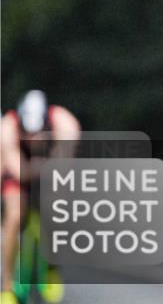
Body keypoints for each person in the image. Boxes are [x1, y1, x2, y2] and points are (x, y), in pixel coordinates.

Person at [1, 90, 80, 304]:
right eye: (28, 133)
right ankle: (7, 285)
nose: (33, 138)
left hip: (51, 168)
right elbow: (18, 172)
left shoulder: (66, 123)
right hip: (19, 168)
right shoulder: (8, 127)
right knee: (15, 216)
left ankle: (52, 265)